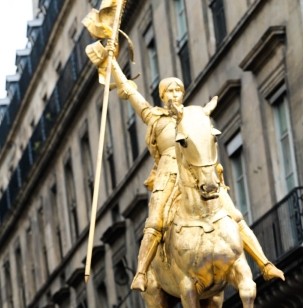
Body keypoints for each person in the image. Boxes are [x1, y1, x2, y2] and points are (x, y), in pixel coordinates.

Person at [87, 41, 285, 291]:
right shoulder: (153, 117)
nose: (174, 95)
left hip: (196, 169)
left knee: (233, 214)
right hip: (168, 172)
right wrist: (113, 61)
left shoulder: (195, 114)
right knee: (156, 219)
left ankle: (265, 264)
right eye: (168, 92)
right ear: (162, 96)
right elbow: (128, 91)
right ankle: (141, 273)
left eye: (177, 91)